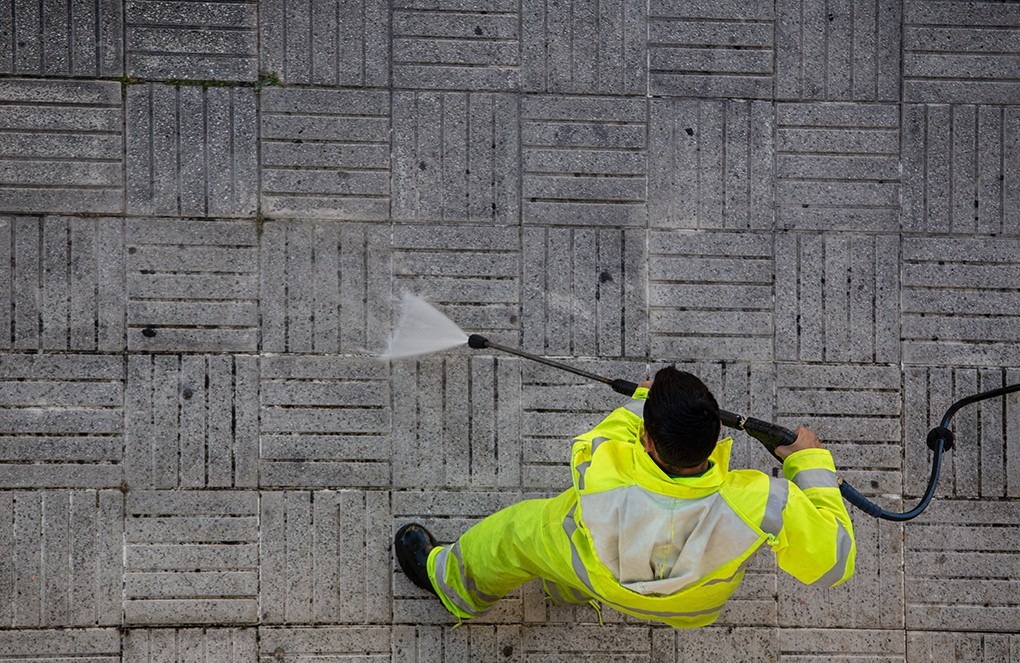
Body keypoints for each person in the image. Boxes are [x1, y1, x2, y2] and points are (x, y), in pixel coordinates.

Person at [395, 366, 855, 628]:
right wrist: (810, 464)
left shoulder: (603, 466)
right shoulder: (763, 500)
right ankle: (566, 592)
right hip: (689, 607)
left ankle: (452, 584)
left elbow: (606, 434)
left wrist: (641, 400)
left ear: (649, 442)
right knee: (565, 549)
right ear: (716, 435)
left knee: (516, 532)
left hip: (596, 571)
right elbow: (835, 562)